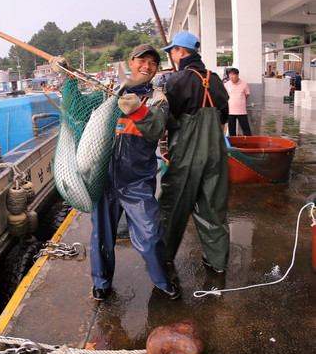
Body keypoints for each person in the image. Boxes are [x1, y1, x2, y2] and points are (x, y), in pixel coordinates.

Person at [49, 45, 179, 301]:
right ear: (131, 63)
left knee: (151, 235)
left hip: (137, 181)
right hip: (103, 177)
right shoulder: (106, 93)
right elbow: (76, 108)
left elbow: (156, 130)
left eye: (153, 62)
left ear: (156, 69)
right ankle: (101, 283)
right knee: (101, 236)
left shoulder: (158, 99)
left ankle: (163, 280)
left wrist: (138, 109)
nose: (147, 65)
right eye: (142, 60)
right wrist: (66, 76)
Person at [159, 32, 230, 273]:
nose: (170, 54)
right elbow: (224, 115)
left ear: (181, 51)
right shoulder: (216, 78)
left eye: (172, 50)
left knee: (174, 203)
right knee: (213, 204)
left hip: (187, 151)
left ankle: (164, 257)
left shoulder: (176, 80)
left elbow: (167, 119)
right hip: (216, 151)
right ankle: (217, 261)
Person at [223, 68, 252, 136]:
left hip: (241, 111)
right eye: (230, 75)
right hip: (230, 110)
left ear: (237, 75)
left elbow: (247, 94)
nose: (232, 77)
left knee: (245, 128)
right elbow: (225, 95)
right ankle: (233, 143)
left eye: (233, 75)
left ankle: (249, 141)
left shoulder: (244, 84)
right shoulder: (227, 84)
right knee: (231, 129)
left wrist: (239, 101)